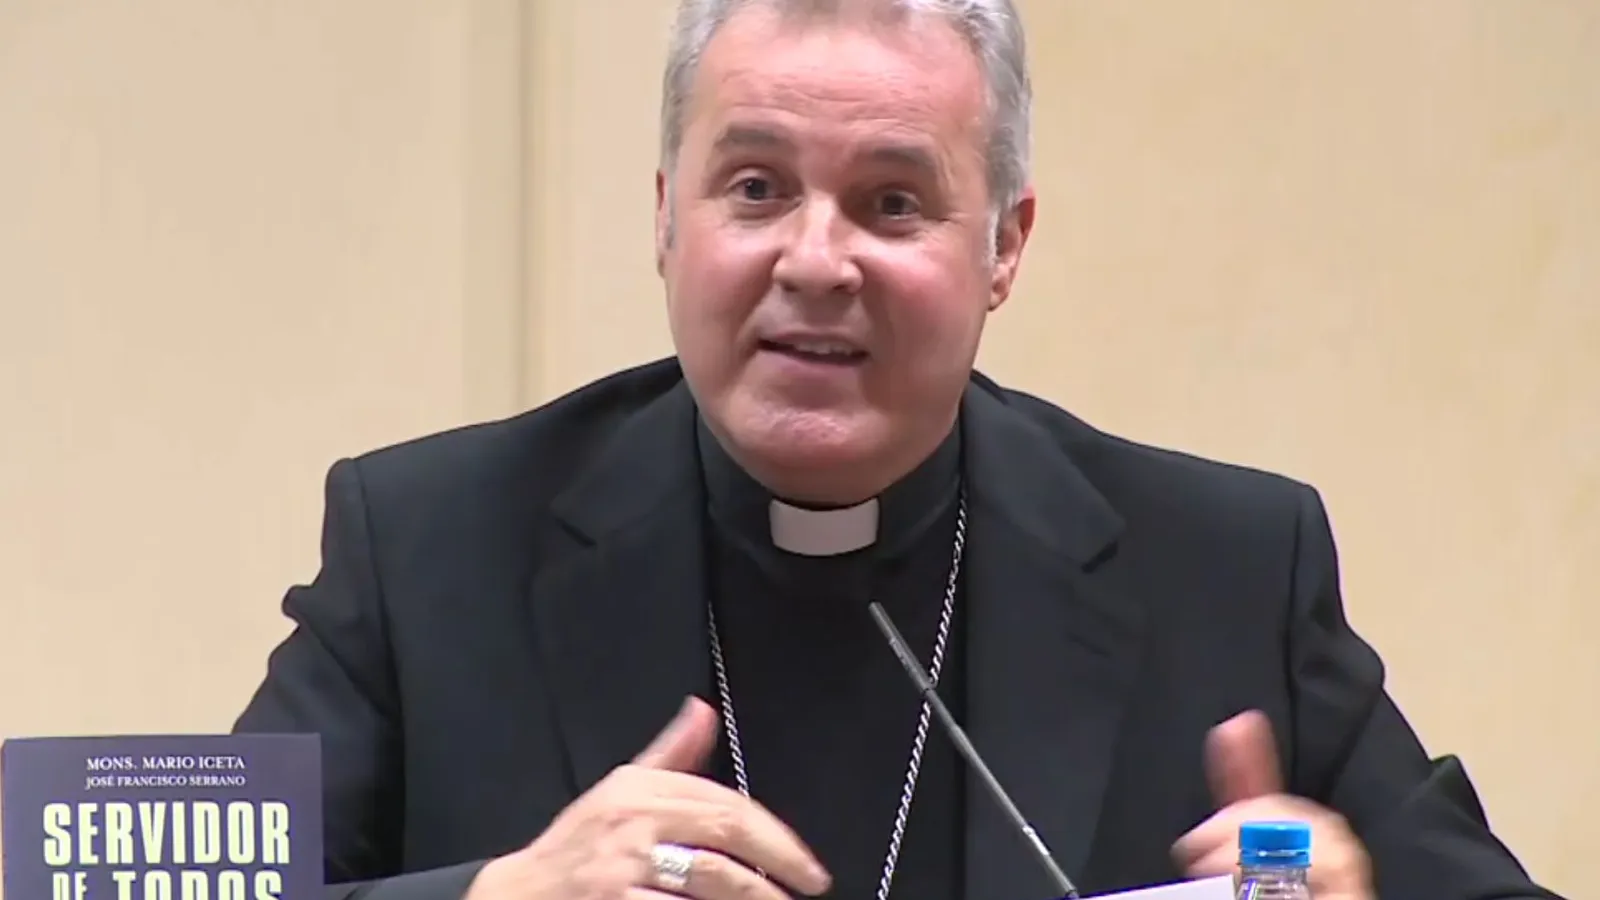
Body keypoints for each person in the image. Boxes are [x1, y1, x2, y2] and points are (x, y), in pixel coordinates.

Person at [233, 1, 1565, 899]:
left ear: (1004, 248)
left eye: (891, 201)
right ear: (665, 217)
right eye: (756, 187)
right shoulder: (431, 546)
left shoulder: (1225, 571)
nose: (816, 262)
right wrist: (499, 896)